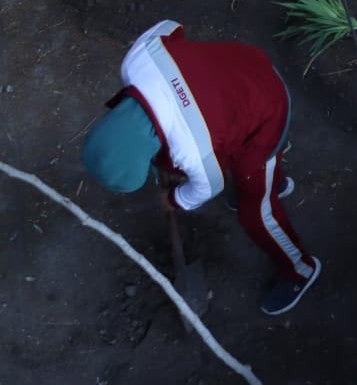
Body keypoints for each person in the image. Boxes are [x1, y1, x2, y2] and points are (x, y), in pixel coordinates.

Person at [82, 21, 320, 316]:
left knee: (255, 212)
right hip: (242, 63)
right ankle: (272, 182)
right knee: (234, 149)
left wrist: (174, 199)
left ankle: (300, 270)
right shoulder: (136, 60)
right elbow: (169, 28)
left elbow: (210, 186)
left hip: (267, 108)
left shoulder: (189, 150)